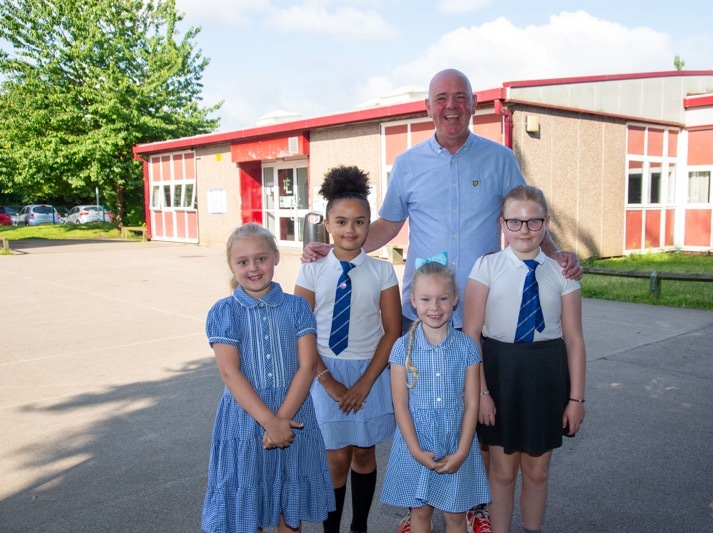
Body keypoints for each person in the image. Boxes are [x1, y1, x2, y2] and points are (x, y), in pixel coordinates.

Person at [305, 67, 583, 532]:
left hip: (479, 311)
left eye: (460, 97)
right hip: (426, 310)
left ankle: (470, 506)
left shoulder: (499, 159)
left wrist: (560, 257)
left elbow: (525, 216)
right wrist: (334, 248)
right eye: (441, 98)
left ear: (474, 104)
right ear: (428, 107)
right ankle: (421, 508)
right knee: (426, 408)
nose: (450, 106)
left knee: (474, 409)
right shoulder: (410, 164)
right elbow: (388, 226)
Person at [462, 185, 587, 533]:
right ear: (502, 224)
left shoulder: (562, 272)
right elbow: (471, 333)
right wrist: (482, 392)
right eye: (515, 222)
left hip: (546, 375)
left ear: (546, 223)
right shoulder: (486, 267)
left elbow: (574, 339)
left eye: (533, 222)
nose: (525, 230)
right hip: (500, 373)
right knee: (502, 472)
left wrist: (576, 398)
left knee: (537, 470)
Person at [201, 223, 335, 533]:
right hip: (246, 418)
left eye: (261, 258)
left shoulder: (298, 307)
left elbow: (306, 365)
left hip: (293, 413)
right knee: (249, 509)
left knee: (289, 510)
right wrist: (269, 422)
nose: (253, 268)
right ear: (232, 265)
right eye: (243, 261)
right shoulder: (224, 312)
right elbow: (230, 372)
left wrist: (282, 420)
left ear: (275, 257)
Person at [295, 166, 402, 533]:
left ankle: (359, 526)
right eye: (341, 222)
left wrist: (365, 384)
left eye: (359, 222)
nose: (349, 230)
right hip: (323, 371)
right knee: (336, 458)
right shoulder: (310, 272)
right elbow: (302, 330)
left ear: (369, 226)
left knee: (364, 453)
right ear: (326, 224)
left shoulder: (382, 272)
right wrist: (326, 381)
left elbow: (391, 331)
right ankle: (331, 529)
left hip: (370, 373)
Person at [380, 259, 491, 533]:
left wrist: (463, 450)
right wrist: (416, 450)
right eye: (426, 299)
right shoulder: (401, 348)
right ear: (413, 300)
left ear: (454, 299)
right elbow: (400, 405)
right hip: (414, 442)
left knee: (455, 516)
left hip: (456, 440)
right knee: (420, 514)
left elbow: (472, 402)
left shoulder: (467, 346)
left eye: (442, 298)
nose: (435, 307)